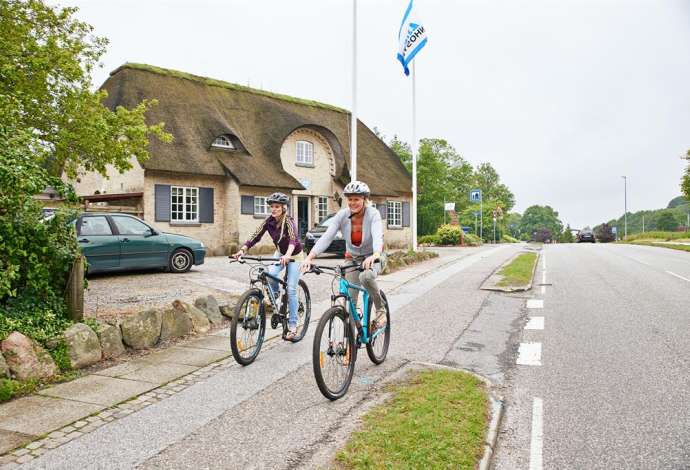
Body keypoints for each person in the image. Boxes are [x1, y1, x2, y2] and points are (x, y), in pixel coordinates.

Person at [301, 181, 388, 328]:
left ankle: (380, 309)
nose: (353, 203)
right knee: (349, 302)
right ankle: (350, 344)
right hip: (352, 259)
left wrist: (375, 254)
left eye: (357, 199)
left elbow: (377, 235)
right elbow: (327, 237)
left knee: (366, 276)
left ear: (364, 199)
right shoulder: (342, 215)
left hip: (374, 256)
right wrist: (309, 257)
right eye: (350, 199)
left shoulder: (373, 214)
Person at [233, 192, 302, 339]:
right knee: (270, 274)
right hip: (280, 253)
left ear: (284, 208)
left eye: (277, 206)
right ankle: (275, 293)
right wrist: (242, 250)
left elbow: (293, 240)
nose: (274, 209)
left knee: (290, 290)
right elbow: (255, 236)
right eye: (272, 207)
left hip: (294, 255)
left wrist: (288, 255)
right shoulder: (269, 221)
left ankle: (293, 325)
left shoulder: (288, 221)